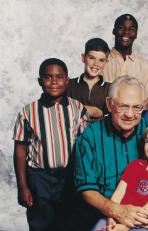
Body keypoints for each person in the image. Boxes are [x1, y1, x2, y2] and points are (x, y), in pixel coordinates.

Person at [58, 76, 148, 231]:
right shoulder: (90, 136)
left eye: (137, 107)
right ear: (110, 104)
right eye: (123, 106)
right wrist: (115, 210)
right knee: (65, 225)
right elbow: (85, 189)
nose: (130, 114)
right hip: (101, 206)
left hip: (147, 206)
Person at [13, 58, 88, 231]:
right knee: (41, 224)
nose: (54, 81)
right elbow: (20, 149)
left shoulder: (78, 108)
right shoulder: (28, 112)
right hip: (40, 179)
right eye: (48, 77)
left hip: (69, 178)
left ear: (67, 80)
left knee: (68, 223)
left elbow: (84, 146)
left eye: (59, 77)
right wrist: (23, 186)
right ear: (40, 81)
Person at [92, 123, 148, 231]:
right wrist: (110, 217)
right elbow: (118, 194)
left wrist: (125, 226)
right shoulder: (135, 165)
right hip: (117, 216)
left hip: (143, 224)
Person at [102, 14, 148, 108]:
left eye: (131, 29)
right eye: (121, 28)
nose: (126, 32)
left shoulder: (145, 66)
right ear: (114, 31)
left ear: (136, 34)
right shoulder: (101, 62)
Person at [67, 37, 110, 120]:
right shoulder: (68, 85)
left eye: (101, 60)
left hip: (99, 132)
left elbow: (111, 118)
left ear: (106, 62)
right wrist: (93, 111)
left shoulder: (110, 88)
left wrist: (75, 108)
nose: (96, 64)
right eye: (91, 58)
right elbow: (60, 110)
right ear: (83, 58)